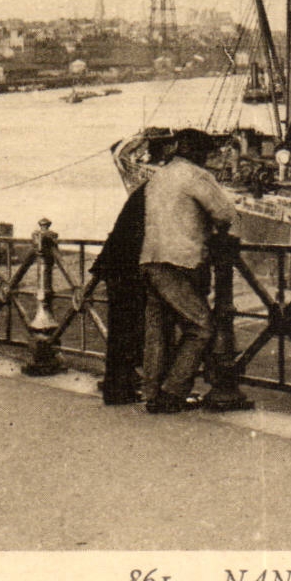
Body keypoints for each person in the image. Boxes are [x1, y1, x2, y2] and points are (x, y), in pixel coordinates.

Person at [138, 128, 234, 414]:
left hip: (150, 259)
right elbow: (225, 213)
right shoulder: (196, 176)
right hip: (180, 261)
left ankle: (151, 392)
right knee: (201, 327)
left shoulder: (158, 175)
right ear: (199, 153)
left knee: (157, 329)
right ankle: (173, 391)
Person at [92, 182, 149, 405]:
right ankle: (119, 386)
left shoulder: (145, 189)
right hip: (127, 266)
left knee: (121, 328)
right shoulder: (157, 190)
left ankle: (118, 384)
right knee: (127, 327)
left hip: (117, 262)